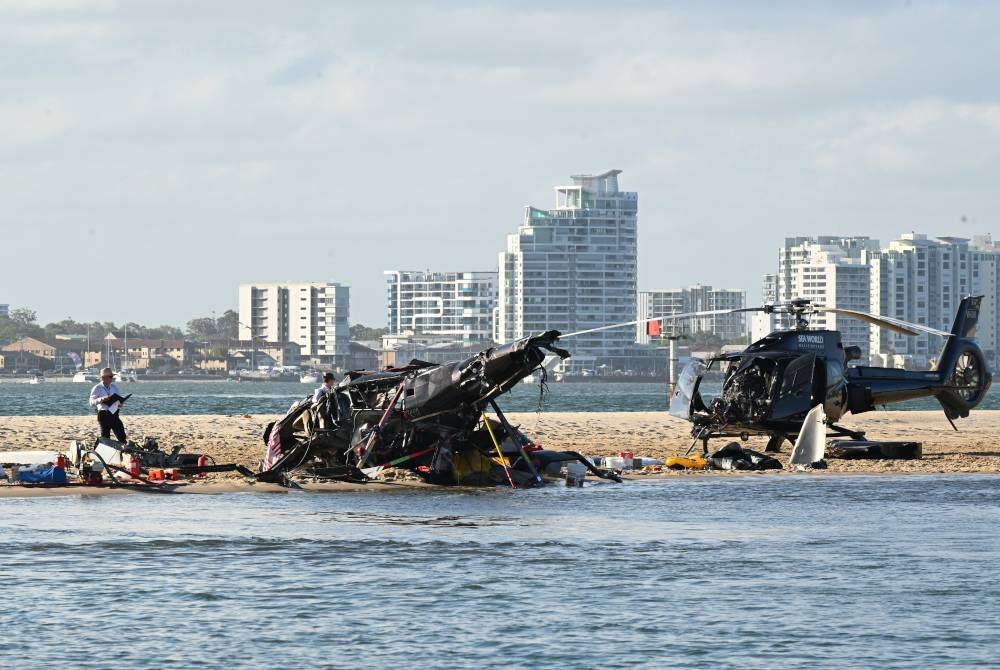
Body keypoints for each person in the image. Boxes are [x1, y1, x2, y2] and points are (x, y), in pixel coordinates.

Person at [89, 367, 128, 443]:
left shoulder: (114, 387)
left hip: (114, 414)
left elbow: (118, 399)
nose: (112, 378)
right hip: (103, 414)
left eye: (112, 377)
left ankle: (124, 451)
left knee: (121, 435)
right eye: (110, 377)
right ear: (104, 378)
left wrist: (120, 403)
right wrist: (101, 399)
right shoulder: (97, 388)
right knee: (105, 437)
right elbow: (91, 402)